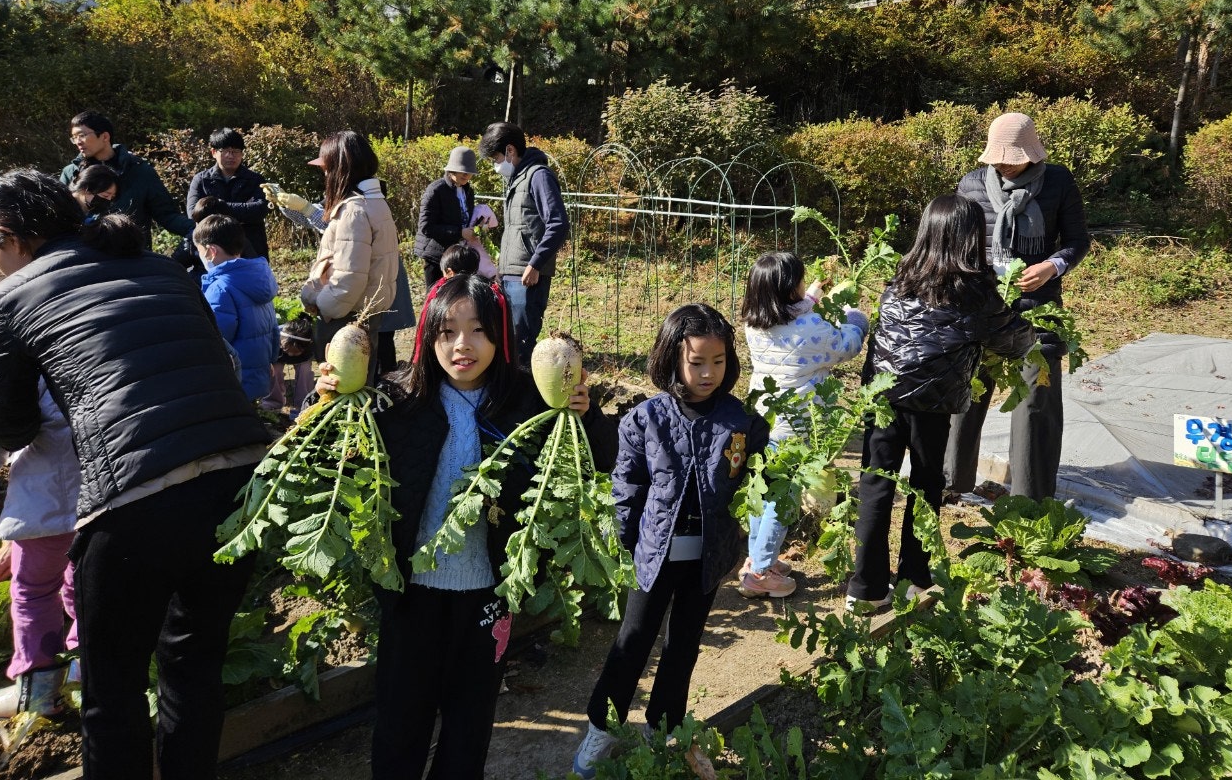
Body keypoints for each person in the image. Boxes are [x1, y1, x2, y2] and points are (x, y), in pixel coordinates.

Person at [0, 169, 270, 780]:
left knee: (112, 693)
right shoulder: (166, 269)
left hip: (136, 502)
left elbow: (6, 425)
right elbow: (221, 362)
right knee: (193, 671)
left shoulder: (9, 298)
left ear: (4, 235)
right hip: (240, 488)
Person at [318, 274, 616, 780]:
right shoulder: (394, 401)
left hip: (489, 591)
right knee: (400, 717)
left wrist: (582, 416)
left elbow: (599, 460)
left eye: (478, 330)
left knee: (470, 720)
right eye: (447, 332)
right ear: (427, 337)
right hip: (411, 590)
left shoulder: (529, 402)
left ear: (499, 338)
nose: (462, 346)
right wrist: (326, 403)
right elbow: (334, 461)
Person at [573, 304, 768, 779]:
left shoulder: (739, 421)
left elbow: (764, 475)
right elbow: (627, 486)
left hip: (706, 560)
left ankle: (664, 732)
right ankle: (602, 729)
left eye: (718, 362)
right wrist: (628, 540)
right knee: (633, 641)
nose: (708, 373)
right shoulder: (646, 418)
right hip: (654, 556)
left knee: (684, 645)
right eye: (697, 362)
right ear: (671, 358)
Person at [847, 195, 1035, 613]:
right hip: (930, 404)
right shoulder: (976, 292)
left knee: (876, 485)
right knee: (925, 484)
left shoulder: (900, 277)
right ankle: (914, 580)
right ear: (971, 238)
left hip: (882, 394)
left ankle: (865, 590)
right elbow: (1017, 341)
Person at [944, 113, 1090, 501]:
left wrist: (1052, 266)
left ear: (1032, 152)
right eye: (998, 157)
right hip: (980, 309)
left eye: (1012, 156)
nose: (1003, 163)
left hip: (1038, 310)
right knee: (967, 393)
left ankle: (1031, 496)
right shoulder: (972, 185)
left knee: (1035, 404)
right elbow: (955, 244)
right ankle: (950, 481)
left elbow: (1077, 240)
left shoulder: (1058, 182)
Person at [739, 251, 868, 599]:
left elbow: (790, 319)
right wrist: (855, 318)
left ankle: (755, 560)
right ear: (788, 289)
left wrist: (810, 298)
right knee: (784, 500)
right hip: (797, 427)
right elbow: (847, 345)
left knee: (761, 494)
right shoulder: (812, 329)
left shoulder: (754, 323)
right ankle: (762, 573)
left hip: (762, 421)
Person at [0, 378, 81, 719]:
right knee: (83, 585)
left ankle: (38, 692)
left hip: (43, 504)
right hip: (102, 495)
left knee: (33, 591)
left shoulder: (27, 357)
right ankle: (85, 671)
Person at [297, 130, 402, 383]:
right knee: (361, 384)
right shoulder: (374, 202)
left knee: (341, 392)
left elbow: (348, 278)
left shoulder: (354, 210)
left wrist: (322, 306)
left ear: (338, 168)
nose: (324, 174)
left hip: (345, 317)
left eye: (326, 168)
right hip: (367, 312)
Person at [477, 122, 569, 366]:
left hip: (527, 276)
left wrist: (535, 263)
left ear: (510, 150)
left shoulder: (539, 176)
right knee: (507, 341)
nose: (495, 165)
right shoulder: (516, 178)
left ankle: (524, 398)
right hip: (510, 273)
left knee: (521, 343)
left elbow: (558, 223)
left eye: (496, 157)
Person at [59, 110, 194, 246]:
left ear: (105, 136)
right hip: (88, 259)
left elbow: (167, 215)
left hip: (133, 256)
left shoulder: (139, 171)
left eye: (81, 135)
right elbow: (60, 219)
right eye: (74, 137)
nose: (77, 142)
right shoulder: (71, 173)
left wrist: (198, 230)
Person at [193, 214, 280, 402]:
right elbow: (273, 327)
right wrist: (271, 360)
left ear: (211, 251)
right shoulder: (258, 277)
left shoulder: (220, 288)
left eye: (199, 251)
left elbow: (217, 339)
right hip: (258, 373)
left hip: (234, 380)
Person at [185, 128, 269, 259]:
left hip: (251, 249)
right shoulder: (201, 180)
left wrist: (217, 206)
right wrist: (240, 212)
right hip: (211, 249)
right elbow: (193, 212)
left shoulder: (255, 179)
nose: (231, 156)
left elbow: (260, 209)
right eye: (225, 151)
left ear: (242, 154)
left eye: (236, 151)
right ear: (213, 152)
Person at [414, 145, 481, 289]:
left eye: (469, 172)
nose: (466, 175)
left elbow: (465, 218)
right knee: (435, 298)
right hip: (435, 255)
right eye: (462, 171)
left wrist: (476, 227)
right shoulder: (435, 190)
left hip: (457, 255)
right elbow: (426, 227)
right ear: (451, 168)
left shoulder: (468, 191)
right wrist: (459, 232)